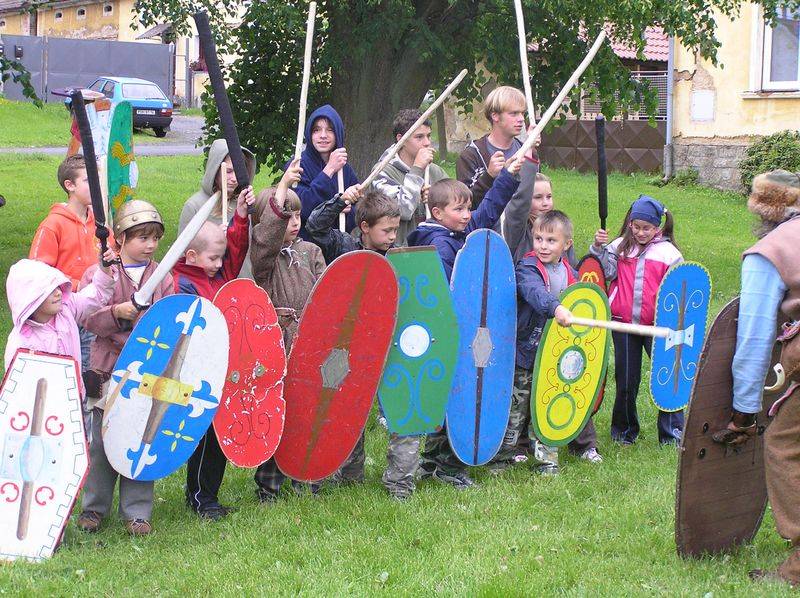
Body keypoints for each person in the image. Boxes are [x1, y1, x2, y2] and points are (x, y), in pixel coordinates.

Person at [406, 154, 522, 488]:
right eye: (459, 210)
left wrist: (507, 177)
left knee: (452, 398)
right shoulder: (440, 246)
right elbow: (449, 297)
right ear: (437, 212)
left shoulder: (455, 233)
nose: (467, 215)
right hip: (451, 338)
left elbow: (488, 212)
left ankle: (433, 461)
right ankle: (447, 465)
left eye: (467, 208)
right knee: (459, 399)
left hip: (461, 337)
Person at [712, 170, 800, 586]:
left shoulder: (769, 251)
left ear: (763, 211)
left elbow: (754, 337)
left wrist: (744, 413)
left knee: (784, 445)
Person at [306, 186, 413, 497]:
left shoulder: (399, 257)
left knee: (397, 405)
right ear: (365, 227)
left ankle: (399, 481)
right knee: (346, 407)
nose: (393, 236)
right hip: (350, 344)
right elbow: (315, 226)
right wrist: (341, 201)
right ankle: (346, 475)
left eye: (395, 229)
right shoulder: (344, 247)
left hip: (389, 345)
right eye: (386, 230)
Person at [76, 200, 172, 537]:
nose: (150, 245)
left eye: (155, 238)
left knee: (140, 438)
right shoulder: (101, 273)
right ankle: (93, 508)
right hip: (107, 368)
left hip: (146, 370)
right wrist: (116, 312)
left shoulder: (162, 276)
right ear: (121, 238)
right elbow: (87, 317)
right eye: (142, 238)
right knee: (102, 444)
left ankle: (137, 512)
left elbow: (169, 320)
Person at [496, 163, 601, 472]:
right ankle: (504, 455)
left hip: (555, 352)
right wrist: (557, 308)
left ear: (566, 245)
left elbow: (581, 303)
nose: (543, 246)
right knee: (518, 406)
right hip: (526, 352)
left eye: (551, 241)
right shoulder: (527, 267)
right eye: (539, 239)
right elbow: (535, 294)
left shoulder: (571, 274)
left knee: (549, 402)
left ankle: (546, 460)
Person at [174, 182, 255, 520]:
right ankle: (199, 497)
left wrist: (240, 216)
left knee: (219, 435)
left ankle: (209, 495)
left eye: (220, 258)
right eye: (213, 258)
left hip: (221, 368)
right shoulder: (181, 282)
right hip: (197, 373)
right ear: (192, 256)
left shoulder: (215, 274)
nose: (220, 263)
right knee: (204, 435)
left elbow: (234, 250)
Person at [249, 159, 326, 502]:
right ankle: (270, 484)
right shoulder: (264, 260)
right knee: (278, 412)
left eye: (297, 216)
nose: (293, 223)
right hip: (279, 344)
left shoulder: (311, 252)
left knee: (309, 411)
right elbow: (267, 236)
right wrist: (281, 187)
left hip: (309, 342)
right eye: (286, 216)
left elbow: (327, 293)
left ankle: (307, 475)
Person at [589, 195, 684, 445]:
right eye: (637, 226)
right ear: (630, 223)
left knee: (668, 378)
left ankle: (672, 433)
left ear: (657, 227)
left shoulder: (669, 254)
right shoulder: (619, 247)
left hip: (658, 327)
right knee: (626, 381)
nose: (641, 233)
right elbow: (606, 272)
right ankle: (624, 432)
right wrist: (598, 248)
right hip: (624, 324)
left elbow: (678, 291)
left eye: (647, 228)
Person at [29, 154, 114, 370]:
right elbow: (37, 273)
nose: (96, 186)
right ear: (70, 185)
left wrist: (112, 261)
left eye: (97, 179)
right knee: (73, 368)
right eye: (88, 180)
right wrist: (75, 286)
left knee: (97, 368)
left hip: (100, 309)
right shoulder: (52, 225)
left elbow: (114, 258)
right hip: (68, 310)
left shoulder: (100, 224)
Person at [4, 252, 117, 374]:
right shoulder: (20, 342)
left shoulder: (66, 308)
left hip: (74, 386)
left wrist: (104, 268)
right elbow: (17, 382)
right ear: (31, 299)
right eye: (50, 290)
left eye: (58, 287)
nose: (58, 293)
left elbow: (96, 296)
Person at [177, 139, 257, 278]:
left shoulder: (243, 205)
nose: (234, 178)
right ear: (215, 170)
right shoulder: (195, 206)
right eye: (229, 171)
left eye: (238, 171)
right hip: (208, 284)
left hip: (241, 282)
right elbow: (183, 255)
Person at [370, 109, 448, 245]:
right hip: (398, 250)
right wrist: (417, 169)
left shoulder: (436, 172)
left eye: (428, 136)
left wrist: (435, 199)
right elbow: (403, 211)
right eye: (419, 137)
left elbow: (457, 210)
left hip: (434, 248)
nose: (427, 143)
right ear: (401, 139)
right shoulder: (382, 172)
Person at [292, 105, 360, 237]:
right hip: (306, 244)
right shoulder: (297, 166)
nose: (323, 136)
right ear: (310, 133)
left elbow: (358, 212)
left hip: (336, 244)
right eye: (317, 130)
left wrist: (348, 211)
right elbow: (303, 209)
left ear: (338, 134)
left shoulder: (345, 170)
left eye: (330, 130)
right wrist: (329, 170)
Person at [456, 86, 526, 210]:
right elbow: (465, 206)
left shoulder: (526, 151)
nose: (521, 119)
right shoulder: (472, 156)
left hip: (521, 222)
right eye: (514, 113)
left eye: (522, 113)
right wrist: (489, 176)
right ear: (495, 116)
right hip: (487, 222)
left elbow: (535, 196)